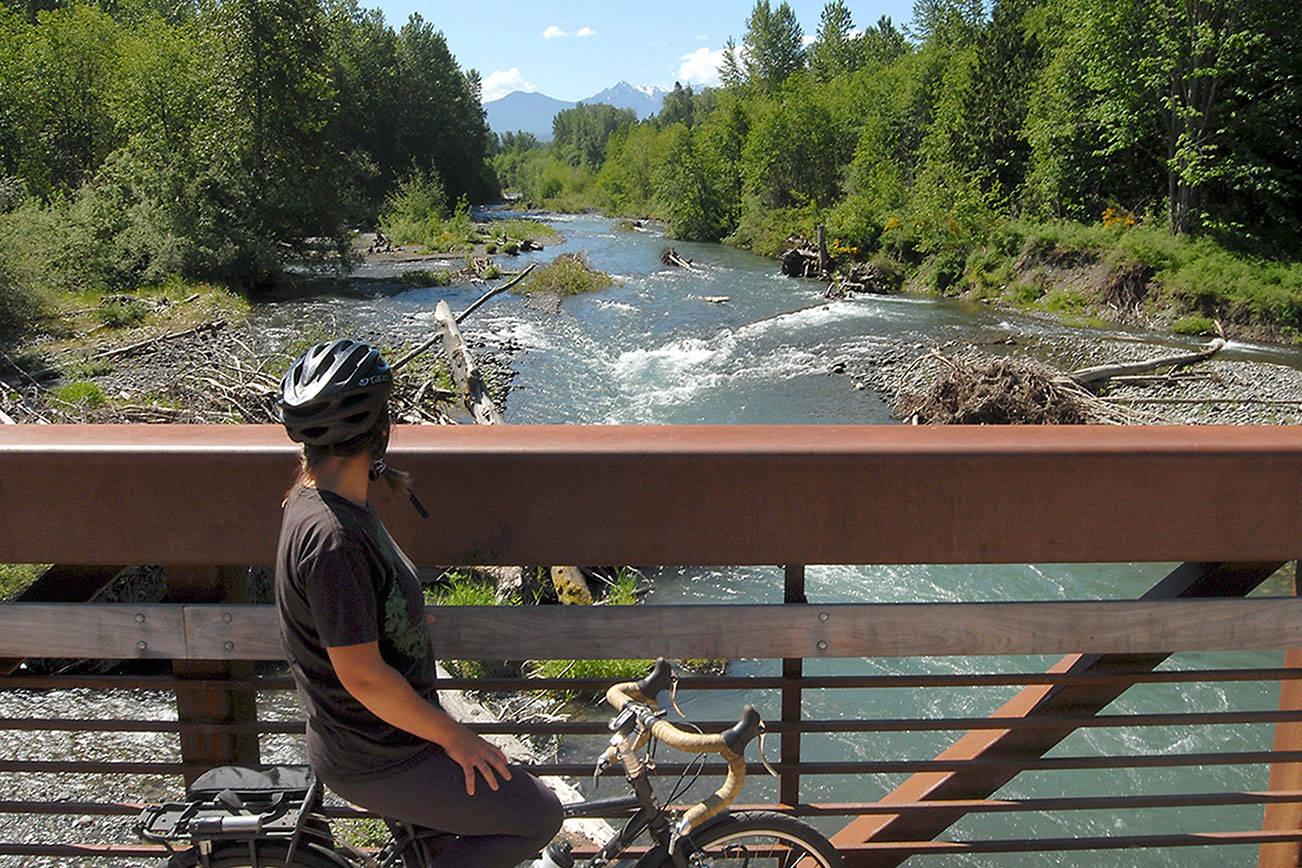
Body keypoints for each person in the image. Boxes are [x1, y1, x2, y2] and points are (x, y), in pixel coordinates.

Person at [274, 338, 563, 867]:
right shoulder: (333, 537)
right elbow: (362, 677)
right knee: (538, 814)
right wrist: (459, 739)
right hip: (379, 753)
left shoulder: (322, 503)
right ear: (381, 430)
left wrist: (399, 611)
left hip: (377, 738)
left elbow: (354, 612)